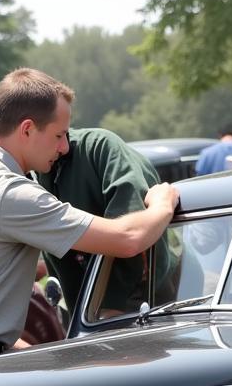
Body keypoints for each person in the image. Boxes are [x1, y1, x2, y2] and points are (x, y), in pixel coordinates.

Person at [0, 68, 179, 365]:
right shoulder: (9, 191)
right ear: (27, 129)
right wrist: (162, 205)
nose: (64, 147)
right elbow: (128, 240)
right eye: (59, 134)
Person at [36, 127, 175, 314]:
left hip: (149, 295)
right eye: (58, 135)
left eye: (64, 133)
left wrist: (110, 306)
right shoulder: (23, 177)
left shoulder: (100, 148)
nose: (65, 146)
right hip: (84, 307)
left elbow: (131, 239)